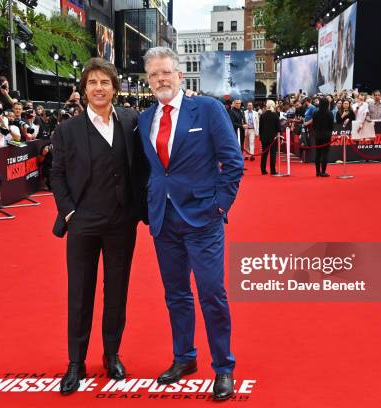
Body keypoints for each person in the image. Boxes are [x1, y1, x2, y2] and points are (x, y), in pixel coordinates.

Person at [137, 46, 243, 401]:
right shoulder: (144, 119)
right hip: (164, 221)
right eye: (153, 75)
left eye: (166, 72)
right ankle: (184, 358)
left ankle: (223, 367)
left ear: (180, 75)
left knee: (212, 294)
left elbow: (233, 163)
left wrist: (218, 207)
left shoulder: (208, 109)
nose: (160, 79)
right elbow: (153, 170)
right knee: (176, 295)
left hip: (203, 220)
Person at [50, 57, 148, 396]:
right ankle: (75, 362)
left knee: (117, 292)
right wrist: (69, 213)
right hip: (83, 223)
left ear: (115, 88)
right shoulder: (67, 130)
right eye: (92, 83)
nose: (98, 88)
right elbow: (56, 174)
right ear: (84, 89)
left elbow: (144, 165)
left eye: (104, 82)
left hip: (122, 222)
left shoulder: (131, 121)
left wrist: (138, 209)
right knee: (80, 294)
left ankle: (111, 354)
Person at [313, 98, 334, 177]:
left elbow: (314, 124)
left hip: (318, 135)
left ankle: (317, 172)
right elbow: (331, 125)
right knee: (325, 153)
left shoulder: (315, 113)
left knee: (318, 153)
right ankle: (323, 171)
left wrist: (316, 131)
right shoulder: (330, 113)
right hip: (326, 135)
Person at [259, 100, 280, 175]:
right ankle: (273, 170)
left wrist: (260, 137)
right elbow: (278, 127)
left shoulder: (262, 115)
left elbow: (260, 128)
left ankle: (263, 170)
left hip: (264, 138)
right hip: (273, 138)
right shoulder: (275, 115)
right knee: (273, 154)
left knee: (264, 154)